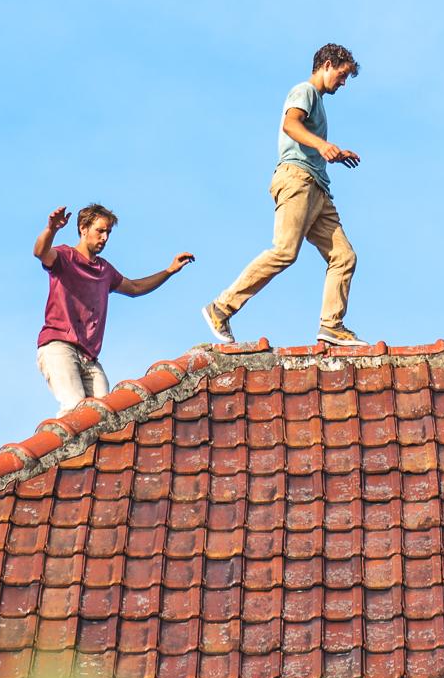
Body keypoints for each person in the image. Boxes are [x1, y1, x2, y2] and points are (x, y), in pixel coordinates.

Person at [202, 43, 363, 347]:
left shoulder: (319, 102)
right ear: (327, 64)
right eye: (342, 76)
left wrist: (334, 152)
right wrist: (321, 145)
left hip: (318, 188)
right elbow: (290, 124)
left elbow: (309, 140)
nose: (343, 84)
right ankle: (221, 308)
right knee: (285, 251)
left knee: (344, 256)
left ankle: (331, 325)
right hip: (297, 180)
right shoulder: (305, 91)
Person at [34, 203, 194, 411]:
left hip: (89, 358)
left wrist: (169, 270)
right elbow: (40, 252)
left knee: (106, 414)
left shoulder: (104, 271)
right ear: (83, 229)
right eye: (100, 231)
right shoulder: (65, 257)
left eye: (108, 232)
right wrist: (51, 229)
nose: (105, 237)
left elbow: (135, 287)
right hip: (59, 346)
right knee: (74, 408)